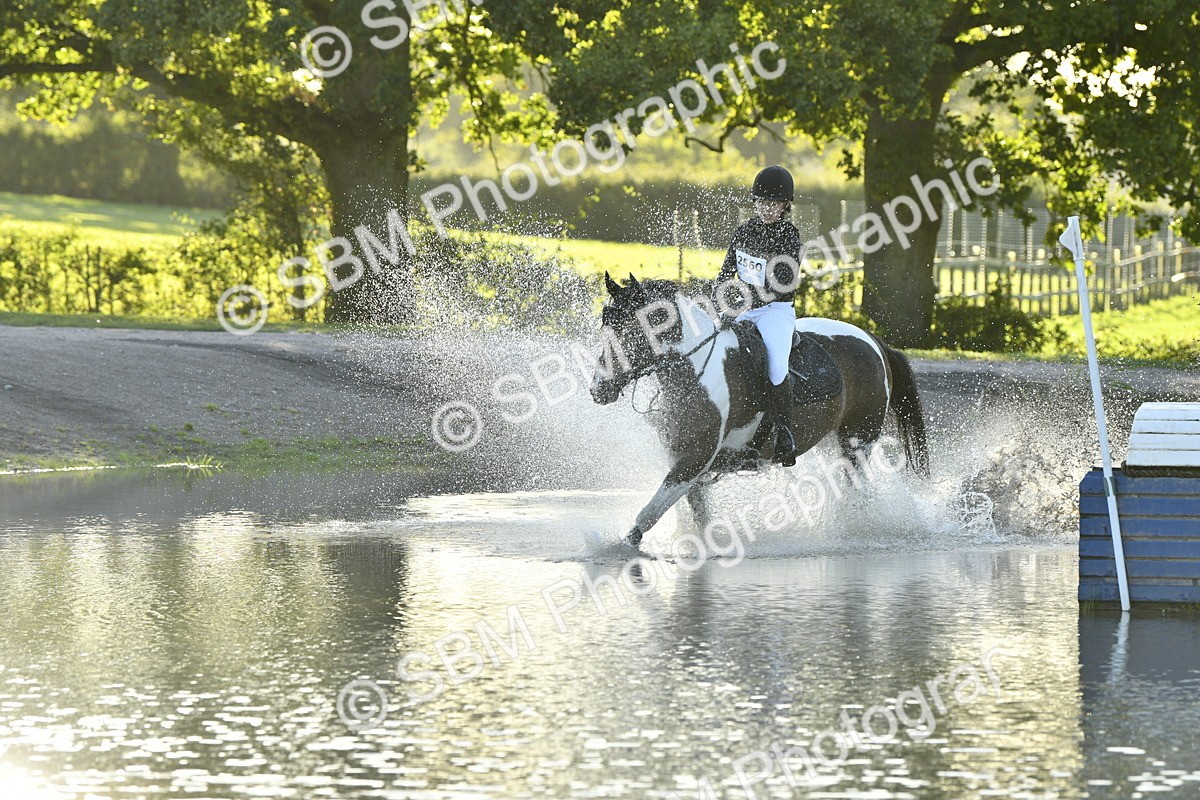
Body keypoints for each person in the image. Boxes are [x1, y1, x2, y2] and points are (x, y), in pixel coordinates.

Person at [714, 165, 807, 467]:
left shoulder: (790, 237)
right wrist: (717, 298)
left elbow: (782, 284)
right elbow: (725, 274)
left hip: (775, 311)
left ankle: (785, 434)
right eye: (762, 203)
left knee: (777, 366)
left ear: (784, 206)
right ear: (755, 203)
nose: (767, 209)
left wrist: (742, 303)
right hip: (744, 310)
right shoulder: (743, 232)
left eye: (774, 204)